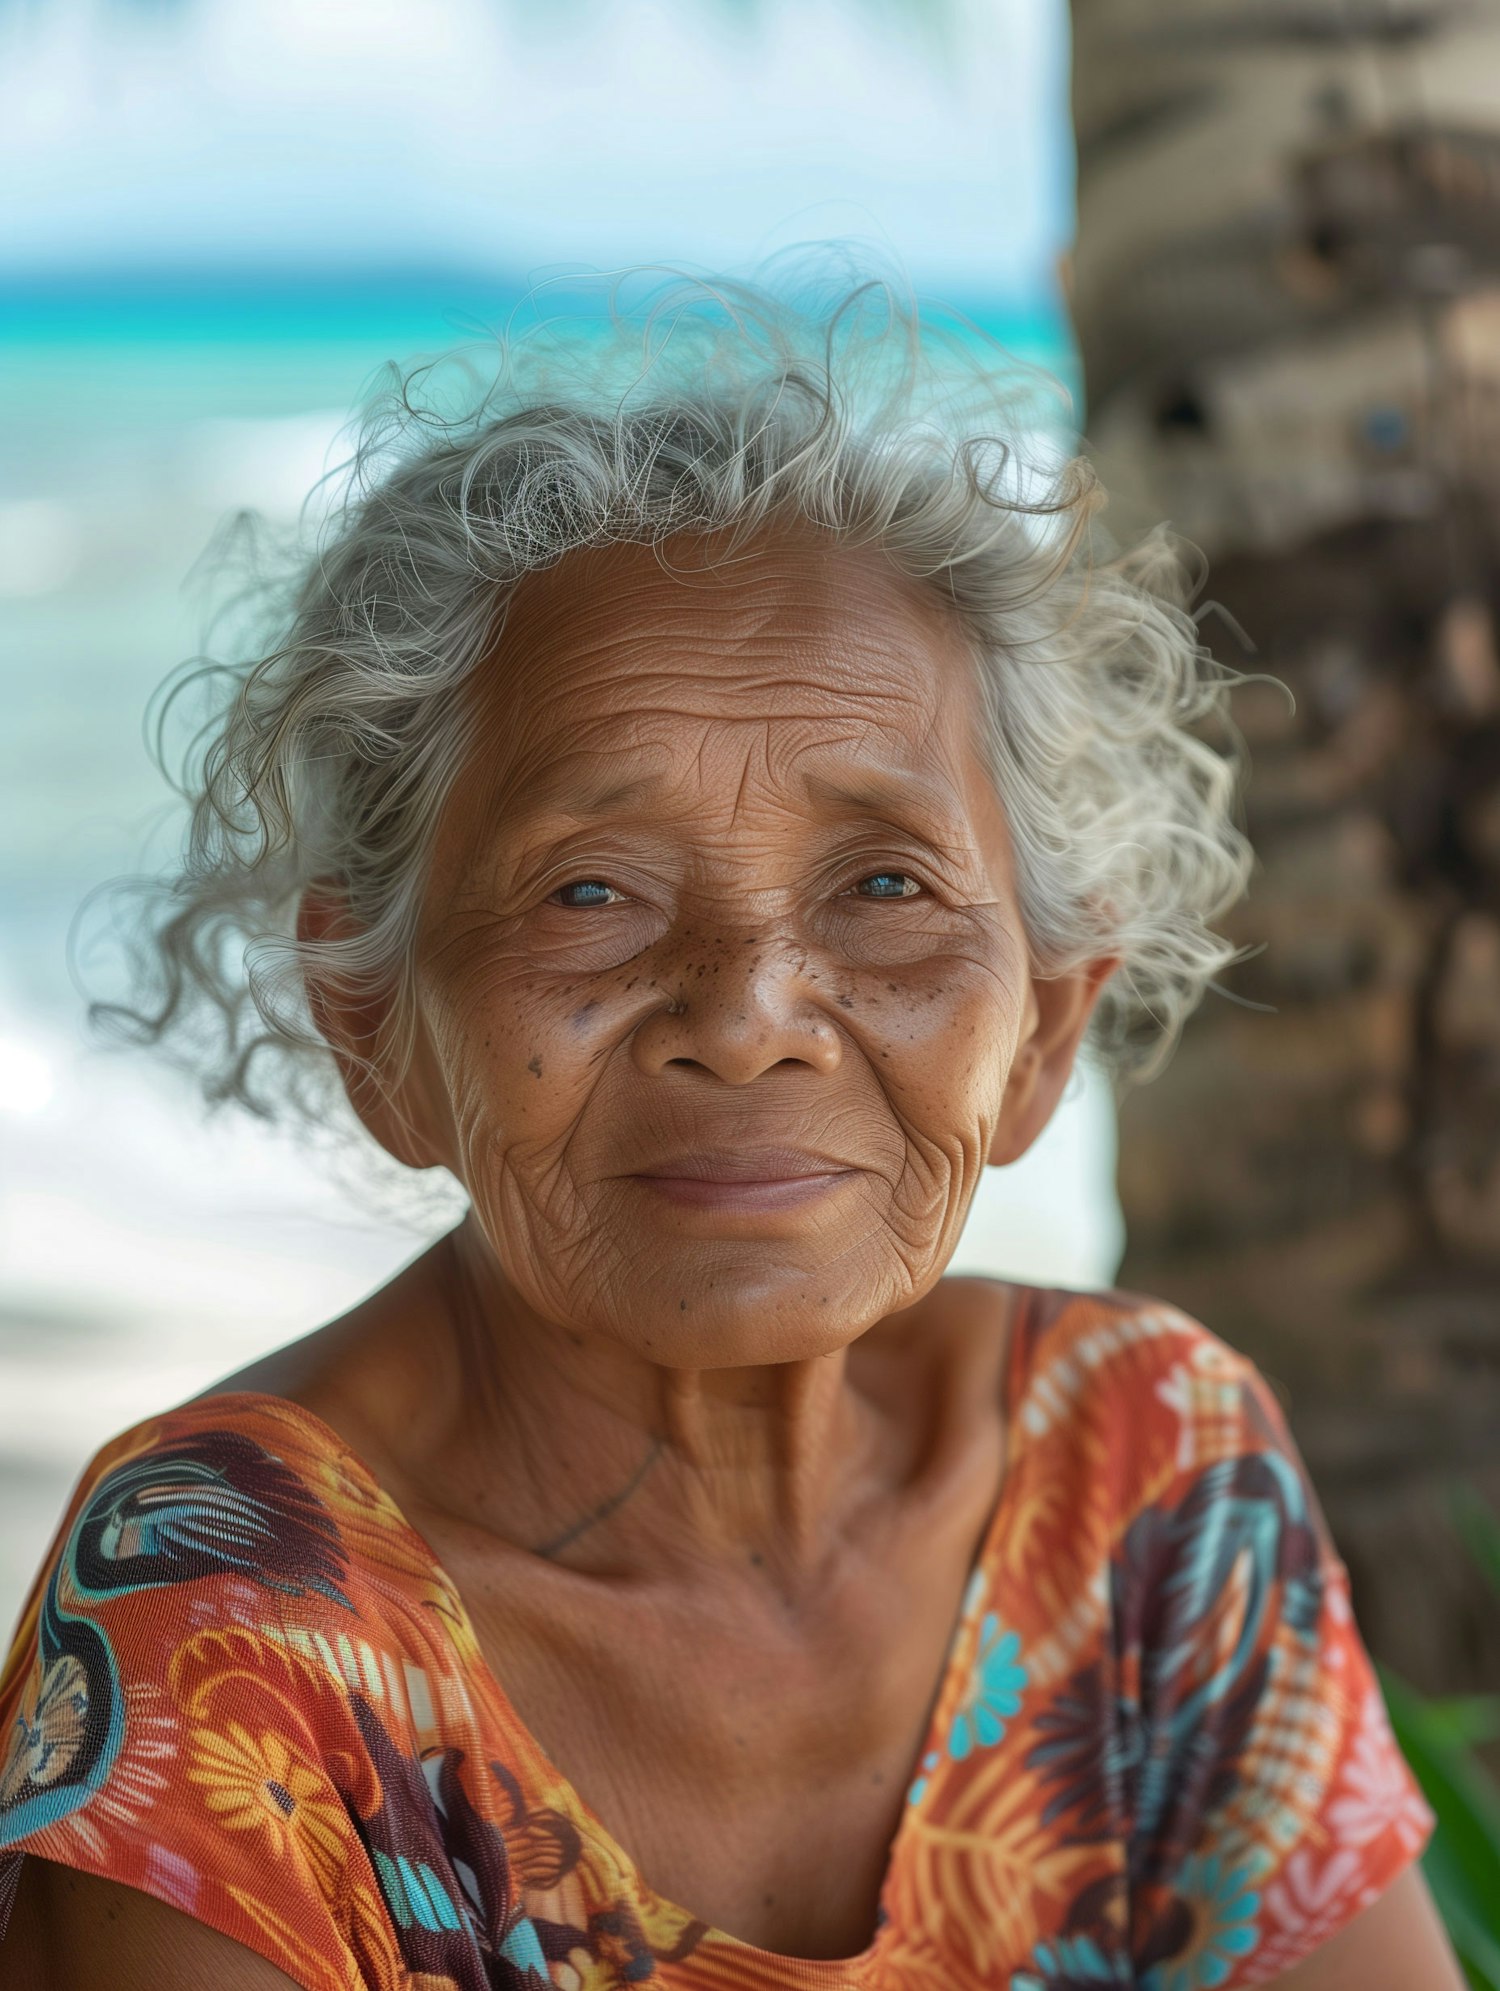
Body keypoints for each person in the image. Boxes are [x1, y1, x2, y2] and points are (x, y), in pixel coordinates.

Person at [0, 269, 1462, 1989]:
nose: (751, 1009)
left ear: (1049, 1028)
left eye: (887, 883)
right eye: (593, 889)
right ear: (375, 1021)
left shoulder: (1142, 1479)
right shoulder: (238, 1606)